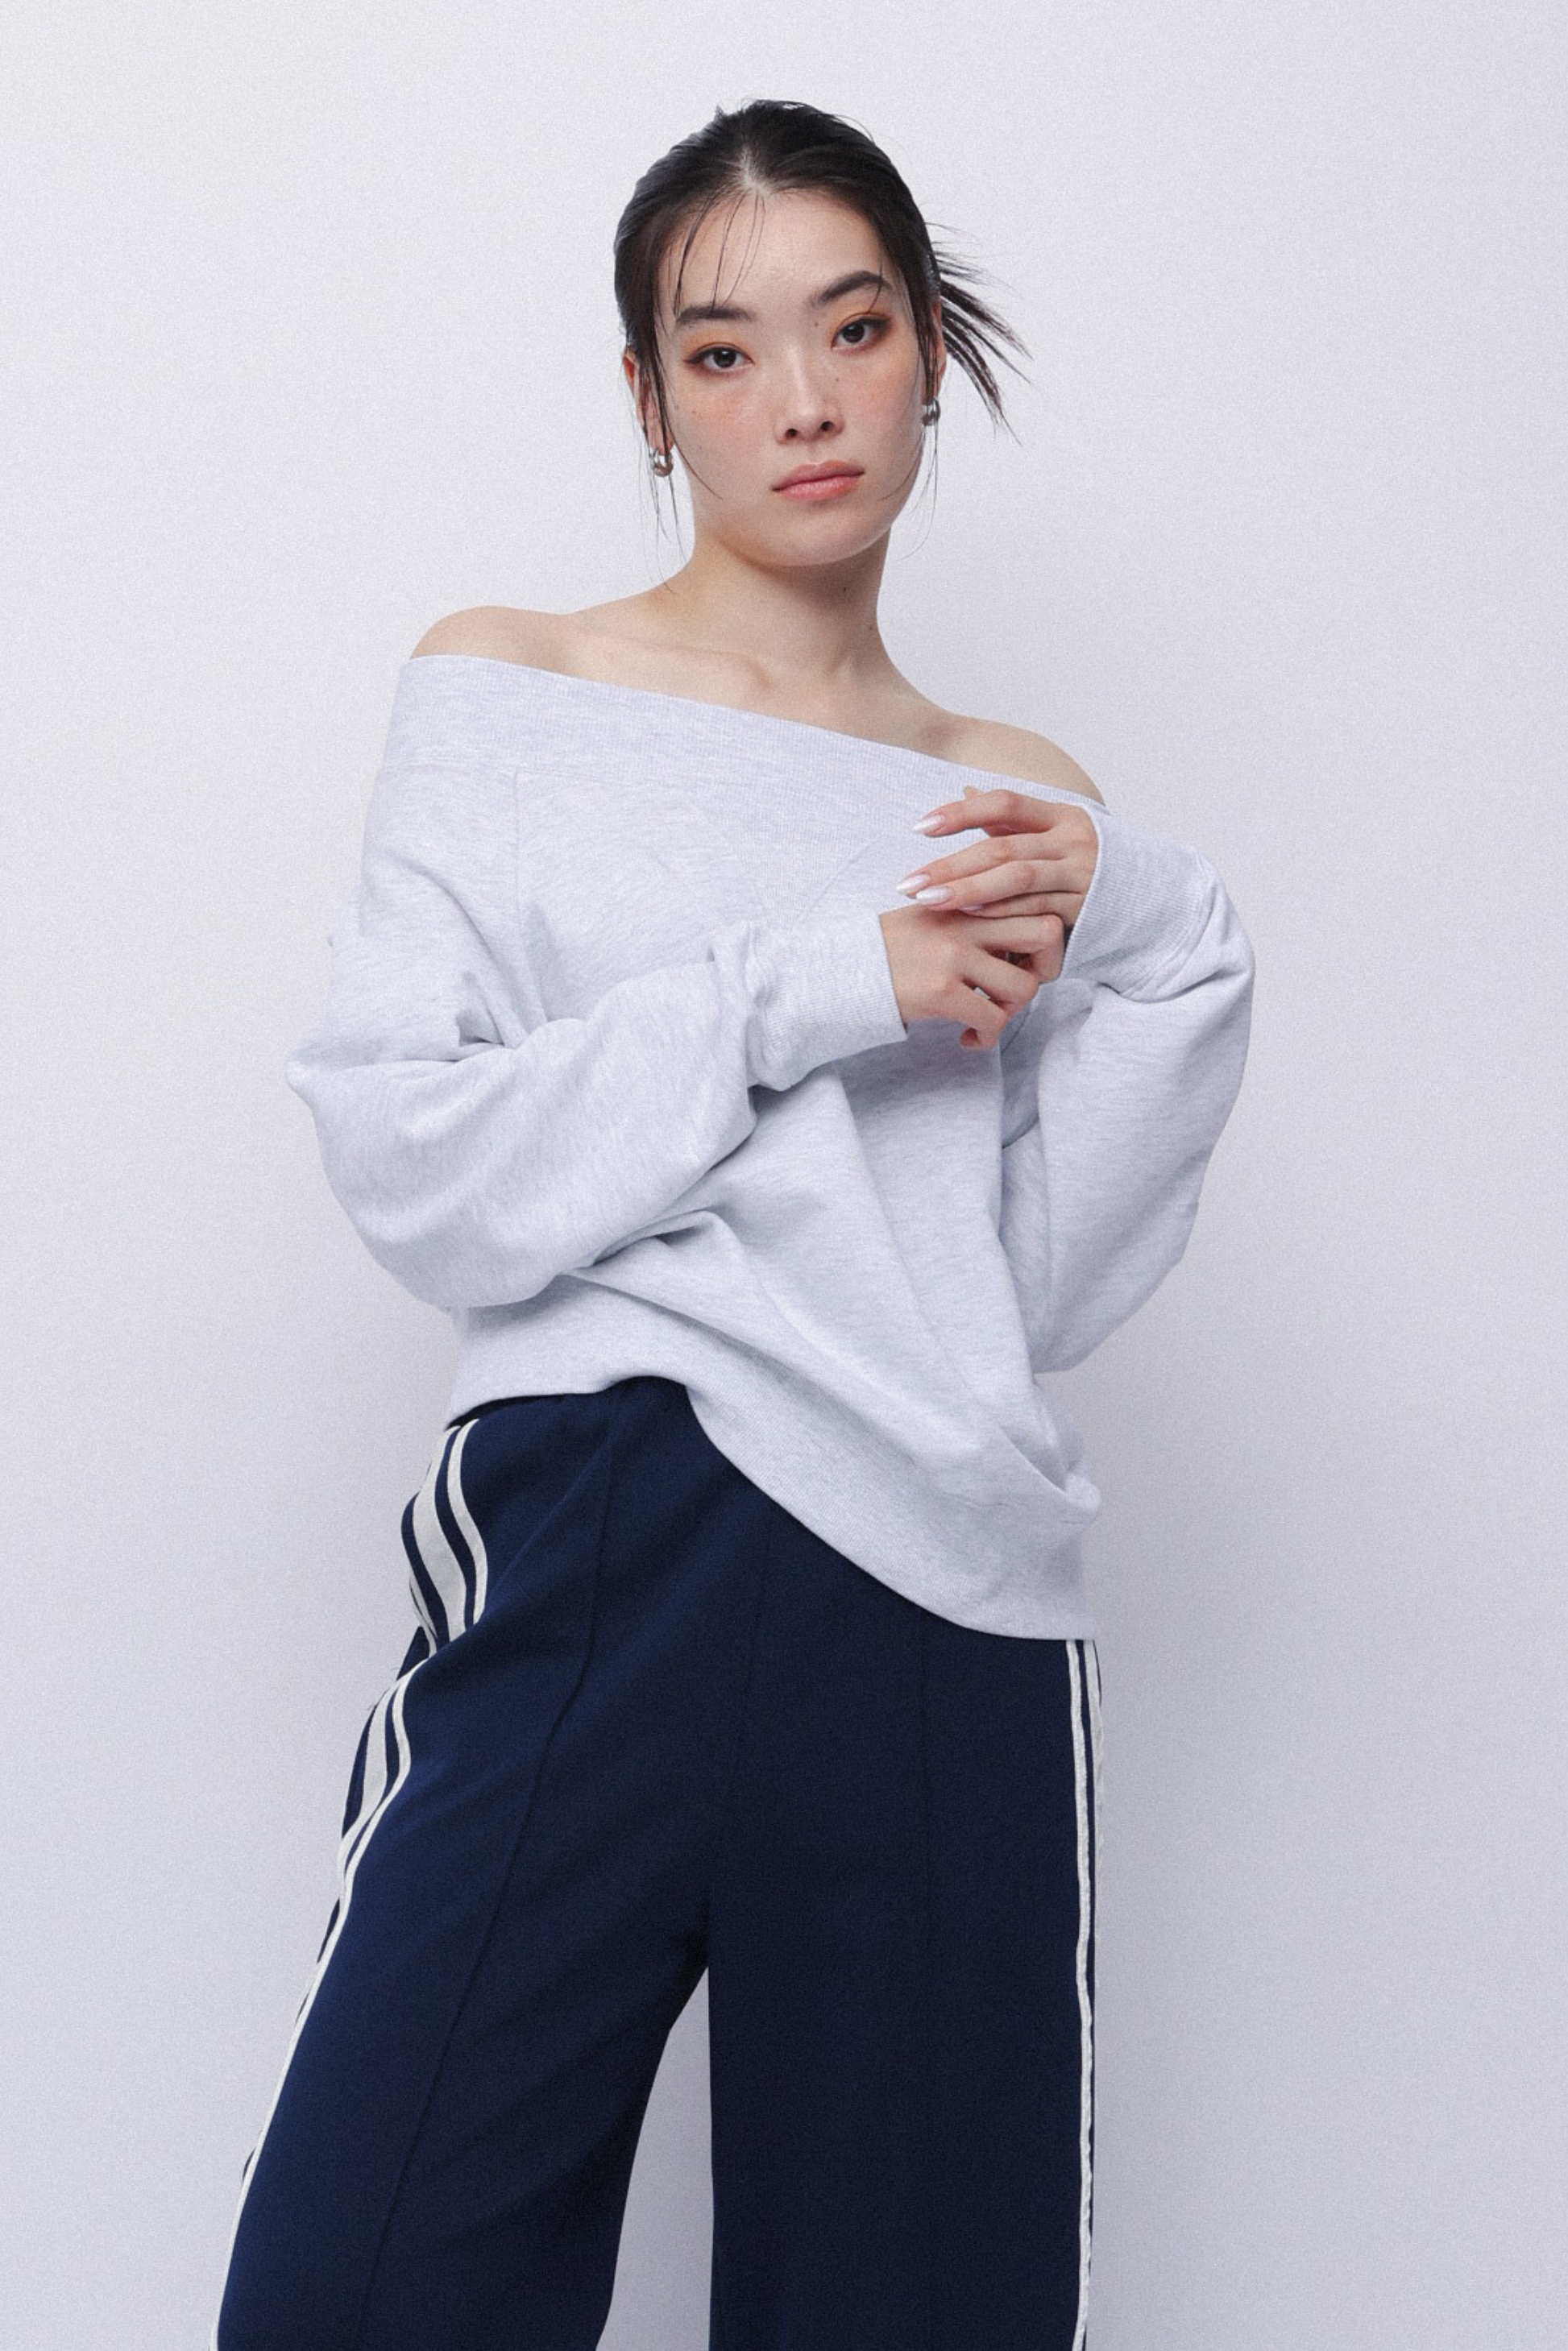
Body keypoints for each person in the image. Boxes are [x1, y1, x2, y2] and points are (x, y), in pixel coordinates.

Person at [212, 97, 1255, 2351]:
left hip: (942, 1606)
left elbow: (1023, 1288)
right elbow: (413, 1152)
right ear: (649, 396)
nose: (801, 399)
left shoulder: (1014, 802)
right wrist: (810, 986)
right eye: (723, 348)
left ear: (929, 352)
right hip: (607, 1533)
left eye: (854, 328)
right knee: (358, 2292)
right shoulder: (517, 689)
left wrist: (1151, 914)